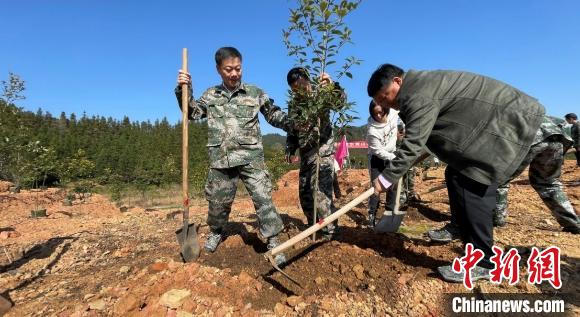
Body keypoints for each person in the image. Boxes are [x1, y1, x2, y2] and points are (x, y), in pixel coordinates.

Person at [367, 64, 545, 284]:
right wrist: (409, 161)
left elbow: (413, 143)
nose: (385, 105)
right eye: (381, 102)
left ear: (397, 81)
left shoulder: (416, 93)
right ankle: (459, 227)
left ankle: (483, 263)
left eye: (385, 97)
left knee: (471, 182)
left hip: (513, 127)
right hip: (498, 127)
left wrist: (385, 178)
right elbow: (424, 139)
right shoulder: (421, 87)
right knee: (454, 173)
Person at [175, 47, 294, 265]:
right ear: (218, 69)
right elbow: (192, 112)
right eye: (228, 69)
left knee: (263, 198)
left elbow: (274, 114)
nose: (234, 74)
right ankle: (216, 232)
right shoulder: (211, 95)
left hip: (251, 157)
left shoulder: (254, 93)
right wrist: (184, 88)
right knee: (218, 203)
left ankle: (274, 240)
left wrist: (294, 124)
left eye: (238, 69)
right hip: (221, 158)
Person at [430, 116, 580, 241]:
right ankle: (573, 223)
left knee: (499, 179)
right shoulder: (552, 119)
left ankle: (495, 220)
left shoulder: (472, 118)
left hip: (531, 137)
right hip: (557, 138)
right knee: (549, 183)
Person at [284, 67, 343, 239]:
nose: (299, 91)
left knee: (321, 194)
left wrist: (333, 87)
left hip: (322, 151)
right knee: (305, 194)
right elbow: (292, 129)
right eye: (294, 89)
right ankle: (313, 227)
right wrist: (290, 146)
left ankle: (330, 232)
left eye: (301, 86)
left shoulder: (322, 93)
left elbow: (339, 103)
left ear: (308, 80)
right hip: (306, 154)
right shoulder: (294, 104)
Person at [366, 100, 399, 227]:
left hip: (392, 154)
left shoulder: (394, 113)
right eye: (375, 114)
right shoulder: (372, 130)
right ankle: (372, 214)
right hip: (377, 159)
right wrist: (395, 158)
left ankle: (389, 214)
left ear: (386, 109)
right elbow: (377, 151)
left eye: (381, 112)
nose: (379, 116)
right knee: (376, 188)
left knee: (393, 185)